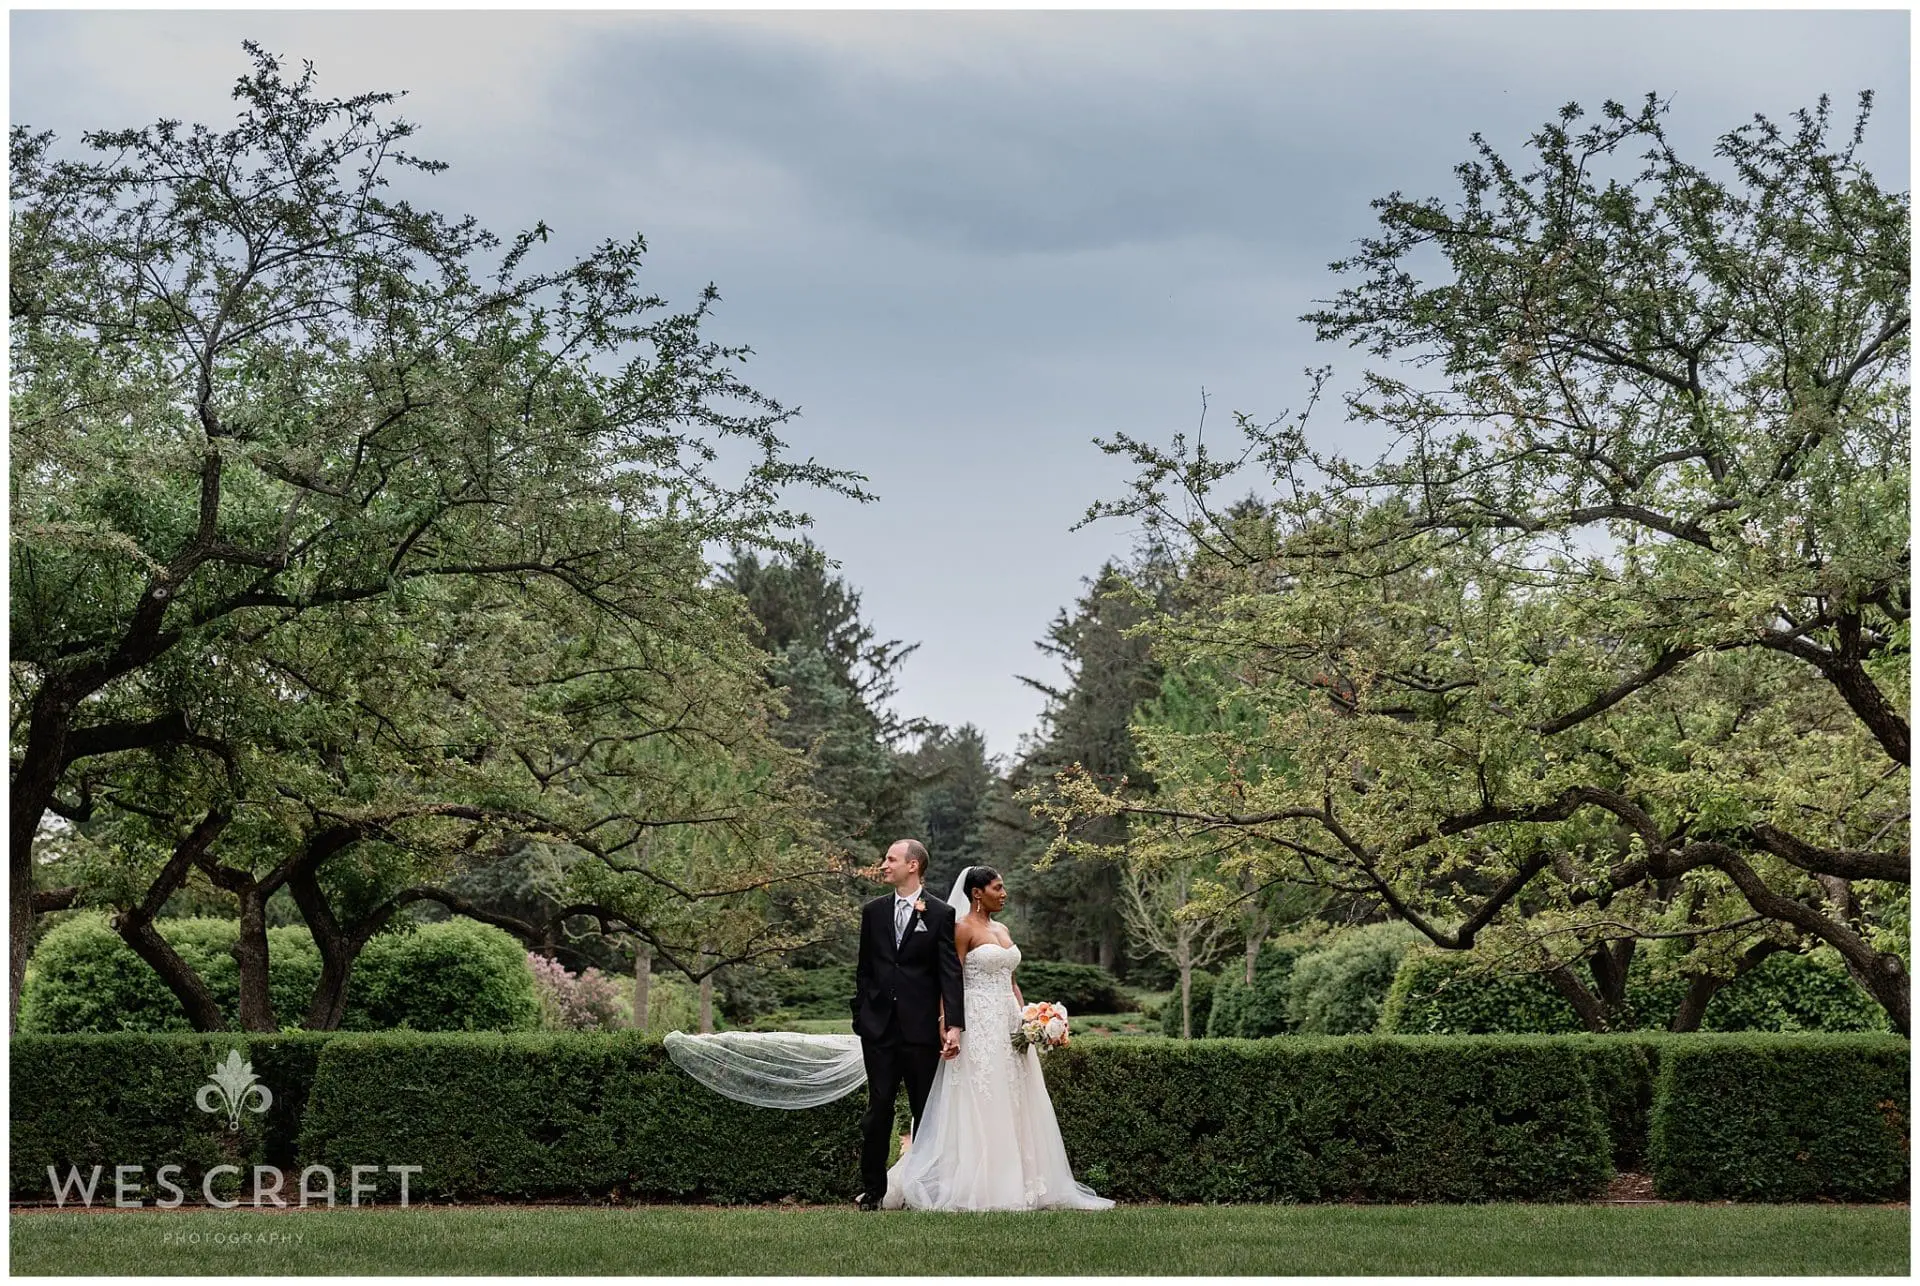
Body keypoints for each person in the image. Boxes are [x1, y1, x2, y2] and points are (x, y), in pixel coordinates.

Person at [880, 864, 1113, 1211]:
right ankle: (984, 1182)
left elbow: (1013, 982)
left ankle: (1025, 1181)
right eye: (998, 888)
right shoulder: (962, 929)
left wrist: (1031, 1018)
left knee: (1018, 1097)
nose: (1004, 894)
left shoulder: (1003, 929)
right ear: (977, 893)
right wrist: (948, 1024)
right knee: (984, 1096)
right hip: (977, 1020)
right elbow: (950, 981)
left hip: (1009, 1023)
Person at [851, 838, 964, 1211]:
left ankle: (926, 1190)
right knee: (878, 1109)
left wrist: (953, 1025)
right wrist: (862, 1014)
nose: (884, 865)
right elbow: (865, 969)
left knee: (924, 1113)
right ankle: (873, 1191)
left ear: (912, 866)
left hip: (919, 1031)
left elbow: (949, 973)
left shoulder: (940, 913)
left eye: (890, 859)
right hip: (878, 1030)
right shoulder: (874, 911)